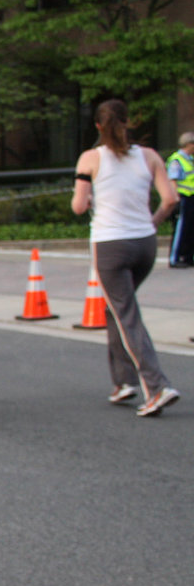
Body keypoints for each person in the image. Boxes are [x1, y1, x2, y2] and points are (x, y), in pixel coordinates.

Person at [72, 99, 181, 416]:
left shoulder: (90, 158)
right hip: (144, 244)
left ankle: (156, 387)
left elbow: (79, 207)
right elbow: (170, 199)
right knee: (116, 308)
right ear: (128, 122)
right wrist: (153, 221)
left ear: (97, 127)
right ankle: (123, 382)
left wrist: (90, 195)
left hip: (110, 244)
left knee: (125, 312)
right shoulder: (149, 156)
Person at [166, 130, 194, 268]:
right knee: (180, 228)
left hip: (191, 198)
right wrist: (175, 198)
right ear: (189, 144)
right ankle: (174, 258)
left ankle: (188, 257)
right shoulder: (177, 159)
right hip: (182, 198)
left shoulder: (190, 159)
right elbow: (173, 180)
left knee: (190, 229)